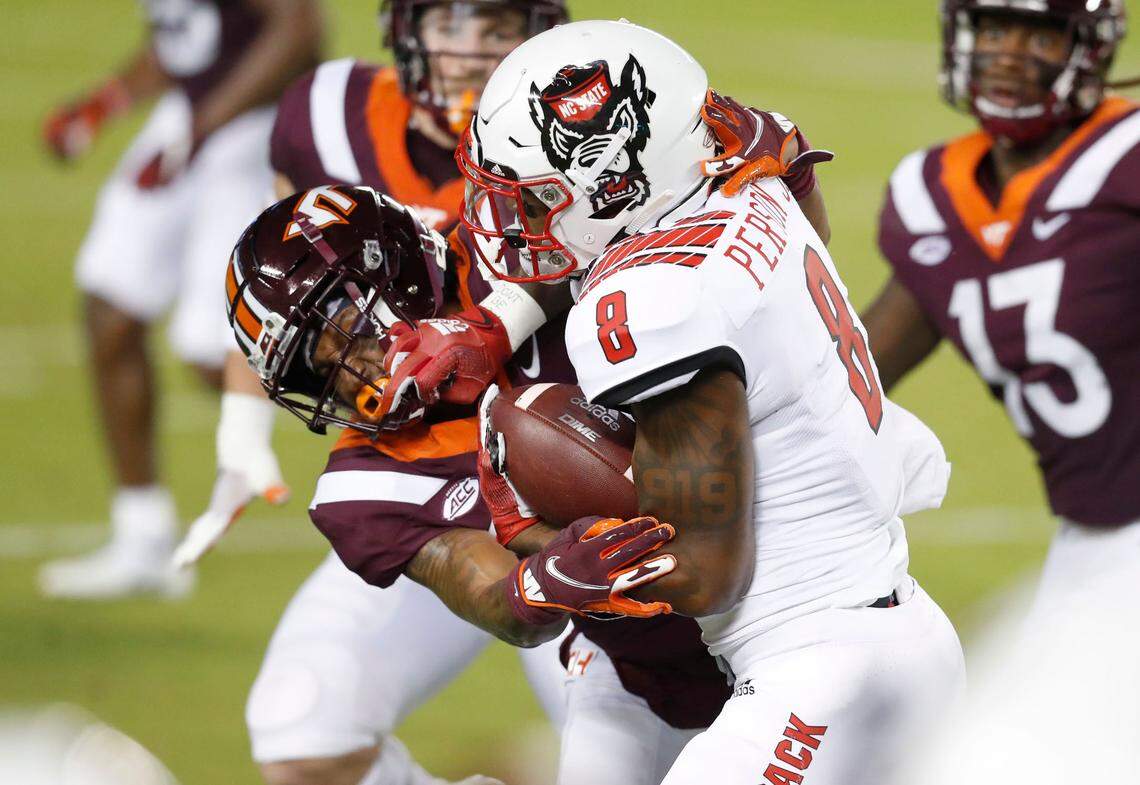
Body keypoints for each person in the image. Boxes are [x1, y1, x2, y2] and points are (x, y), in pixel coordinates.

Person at [384, 19, 967, 785]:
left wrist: (537, 539)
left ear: (615, 176)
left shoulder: (647, 303)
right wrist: (504, 323)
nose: (514, 218)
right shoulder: (748, 180)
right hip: (896, 624)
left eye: (536, 197)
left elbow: (705, 573)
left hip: (816, 668)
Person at [226, 185, 680, 785]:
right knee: (299, 719)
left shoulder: (501, 233)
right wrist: (539, 587)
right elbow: (486, 590)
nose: (348, 371)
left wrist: (499, 322)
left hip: (760, 522)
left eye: (344, 326)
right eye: (314, 365)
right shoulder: (362, 490)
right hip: (616, 631)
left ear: (397, 271)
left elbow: (628, 224)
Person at [39, 0, 324, 599]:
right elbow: (186, 39)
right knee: (110, 307)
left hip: (250, 127)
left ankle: (413, 433)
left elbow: (298, 30)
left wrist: (205, 125)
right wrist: (109, 100)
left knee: (213, 356)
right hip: (190, 119)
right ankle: (142, 536)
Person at [863, 0, 1137, 611]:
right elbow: (848, 376)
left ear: (1086, 50)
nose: (1008, 56)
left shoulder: (1129, 156)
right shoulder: (929, 195)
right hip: (1092, 533)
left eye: (1039, 37)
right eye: (993, 29)